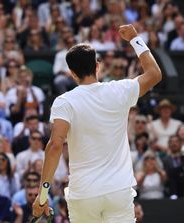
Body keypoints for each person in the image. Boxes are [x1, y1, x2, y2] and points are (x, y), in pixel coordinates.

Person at [32, 24, 162, 222]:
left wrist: (42, 197)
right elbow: (154, 74)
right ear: (98, 66)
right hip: (118, 191)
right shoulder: (120, 90)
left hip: (84, 194)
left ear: (72, 74)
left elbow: (55, 146)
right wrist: (135, 39)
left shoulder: (64, 102)